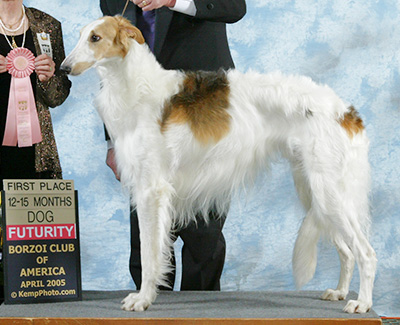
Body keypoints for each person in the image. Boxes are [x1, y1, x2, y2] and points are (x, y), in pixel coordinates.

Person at [100, 0, 246, 291]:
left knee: (203, 239)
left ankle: (202, 315)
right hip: (142, 129)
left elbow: (234, 8)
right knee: (147, 238)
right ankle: (152, 308)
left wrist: (173, 1)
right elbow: (112, 66)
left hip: (202, 118)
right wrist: (113, 141)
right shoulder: (112, 1)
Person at [0, 0, 71, 192]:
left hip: (35, 153)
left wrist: (47, 80)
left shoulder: (47, 25)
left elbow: (58, 96)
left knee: (29, 221)